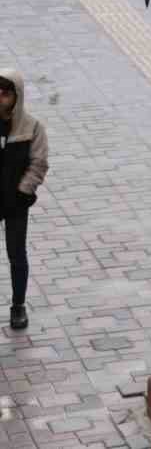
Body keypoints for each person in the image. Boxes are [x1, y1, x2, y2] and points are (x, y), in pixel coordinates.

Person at [0, 70, 49, 333]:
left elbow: (39, 163)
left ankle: (18, 305)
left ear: (16, 97)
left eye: (5, 93)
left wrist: (23, 191)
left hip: (16, 203)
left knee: (17, 254)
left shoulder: (31, 127)